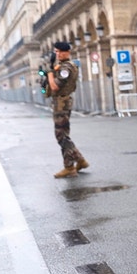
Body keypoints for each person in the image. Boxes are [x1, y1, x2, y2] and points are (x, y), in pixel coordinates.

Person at [48, 41, 89, 178]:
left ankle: (69, 167)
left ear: (67, 52)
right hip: (61, 102)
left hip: (62, 103)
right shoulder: (64, 66)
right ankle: (79, 161)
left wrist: (49, 74)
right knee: (63, 134)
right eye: (56, 52)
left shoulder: (66, 68)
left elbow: (55, 87)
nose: (58, 54)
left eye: (60, 51)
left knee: (61, 136)